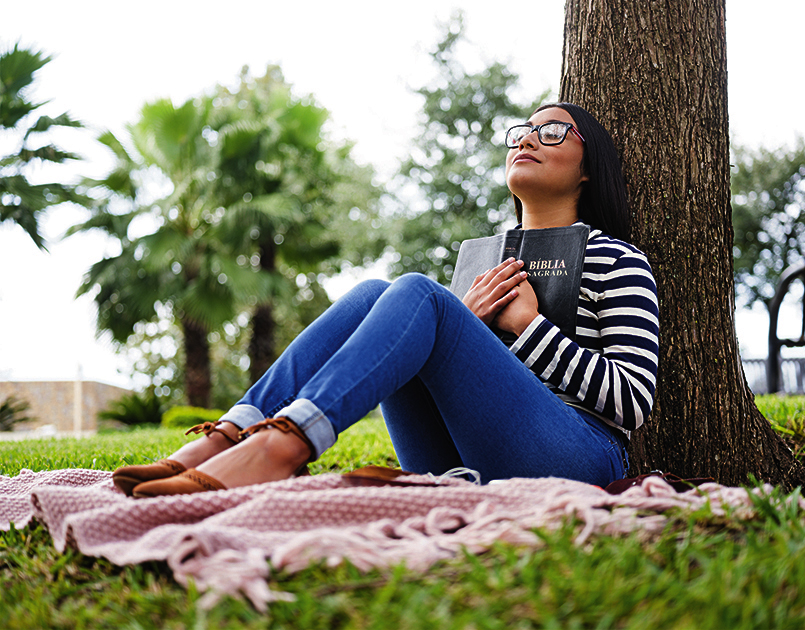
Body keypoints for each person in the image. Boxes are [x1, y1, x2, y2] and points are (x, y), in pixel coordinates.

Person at [112, 102, 659, 498]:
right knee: (378, 293)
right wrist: (463, 325)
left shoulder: (617, 259)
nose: (527, 139)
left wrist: (530, 327)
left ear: (588, 168)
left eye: (554, 131)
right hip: (454, 461)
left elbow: (633, 404)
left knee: (420, 293)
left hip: (577, 455)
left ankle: (286, 445)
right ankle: (234, 432)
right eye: (523, 130)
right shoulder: (484, 262)